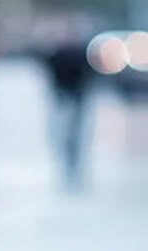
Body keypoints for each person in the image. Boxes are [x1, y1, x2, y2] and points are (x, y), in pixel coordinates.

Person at [44, 31, 93, 190]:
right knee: (67, 132)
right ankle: (69, 158)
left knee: (71, 132)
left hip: (72, 99)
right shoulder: (68, 55)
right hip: (68, 98)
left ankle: (72, 158)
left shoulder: (75, 55)